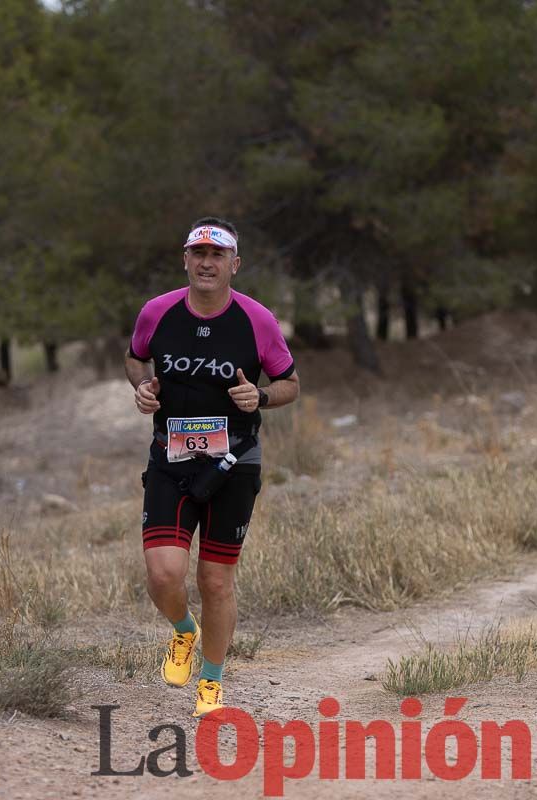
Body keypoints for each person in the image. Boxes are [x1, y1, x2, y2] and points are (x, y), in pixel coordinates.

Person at [124, 216, 300, 717]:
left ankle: (212, 679)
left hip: (233, 461)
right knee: (163, 575)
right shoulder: (156, 313)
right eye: (198, 254)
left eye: (217, 255)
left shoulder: (258, 321)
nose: (206, 262)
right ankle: (184, 632)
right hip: (171, 459)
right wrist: (141, 387)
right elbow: (135, 358)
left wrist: (260, 395)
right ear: (185, 260)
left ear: (234, 265)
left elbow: (290, 384)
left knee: (216, 582)